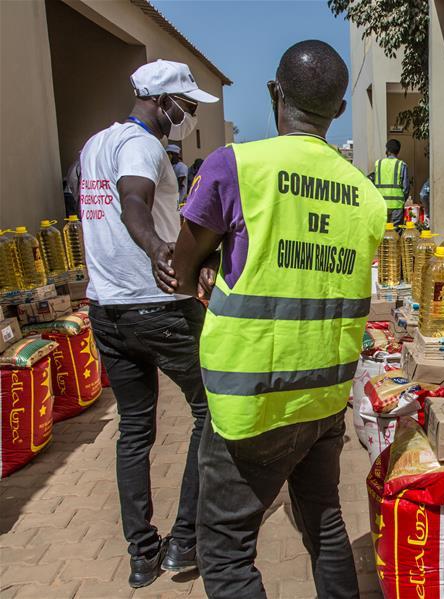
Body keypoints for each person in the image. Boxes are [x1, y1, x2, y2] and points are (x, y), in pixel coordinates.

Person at [171, 40, 385, 598]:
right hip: (324, 396)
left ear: (275, 92)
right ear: (339, 110)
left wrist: (211, 262)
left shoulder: (236, 166)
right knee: (325, 523)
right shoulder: (366, 197)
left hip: (253, 403)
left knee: (225, 552)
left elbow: (179, 268)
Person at [78, 59, 218, 588]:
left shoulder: (94, 145)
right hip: (156, 305)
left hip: (106, 309)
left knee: (134, 429)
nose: (189, 114)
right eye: (187, 104)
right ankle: (184, 541)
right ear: (162, 101)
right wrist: (158, 246)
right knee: (211, 408)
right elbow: (133, 200)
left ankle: (141, 554)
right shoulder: (143, 146)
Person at [372, 138, 409, 226]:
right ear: (398, 151)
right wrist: (402, 200)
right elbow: (406, 188)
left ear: (387, 150)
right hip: (397, 205)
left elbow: (373, 184)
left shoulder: (378, 164)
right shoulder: (401, 165)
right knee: (395, 231)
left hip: (381, 205)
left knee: (382, 230)